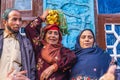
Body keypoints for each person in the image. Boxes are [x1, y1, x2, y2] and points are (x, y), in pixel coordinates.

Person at [25, 10, 76, 80]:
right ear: (45, 35)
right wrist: (42, 18)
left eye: (56, 33)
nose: (53, 36)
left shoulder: (64, 51)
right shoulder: (39, 48)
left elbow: (72, 58)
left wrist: (54, 67)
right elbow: (29, 29)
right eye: (50, 33)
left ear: (59, 37)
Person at [0, 8, 36, 80]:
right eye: (14, 19)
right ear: (4, 22)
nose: (18, 23)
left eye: (20, 20)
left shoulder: (26, 42)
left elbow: (32, 69)